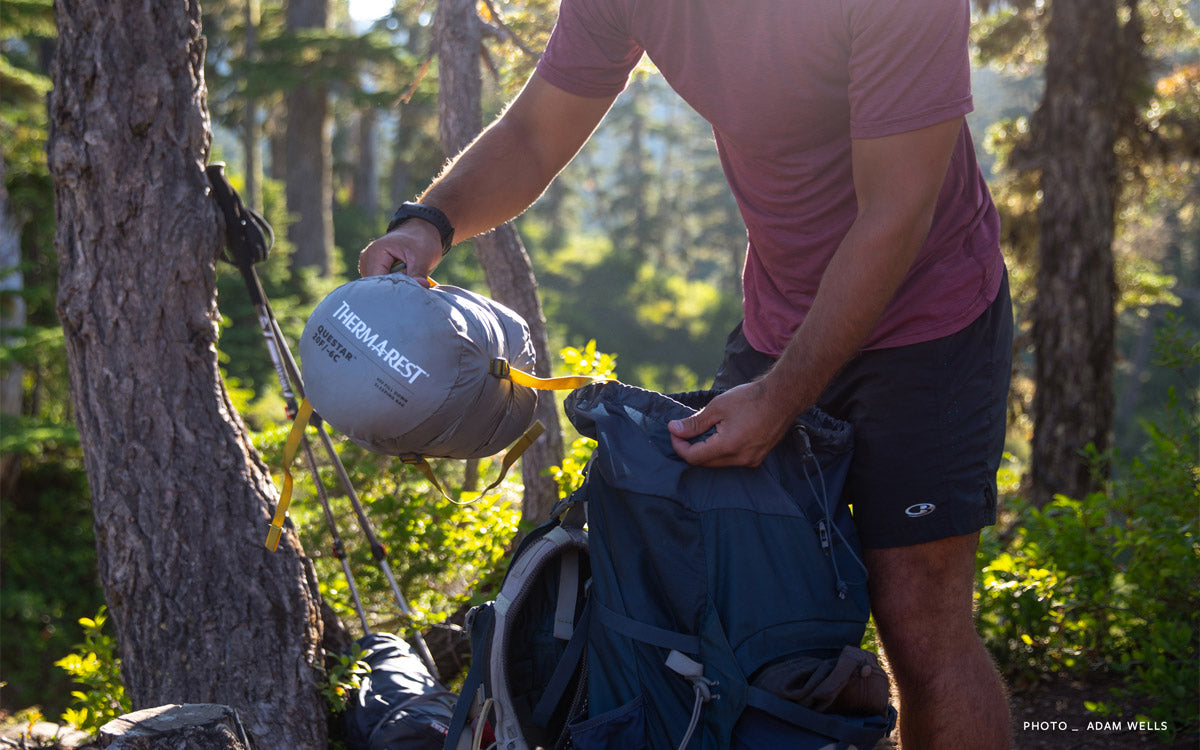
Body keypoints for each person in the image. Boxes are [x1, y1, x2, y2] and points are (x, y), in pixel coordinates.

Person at [359, 0, 1013, 746]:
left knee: (919, 621)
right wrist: (428, 221)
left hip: (929, 324)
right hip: (779, 327)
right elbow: (536, 136)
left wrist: (780, 396)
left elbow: (896, 211)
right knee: (728, 617)